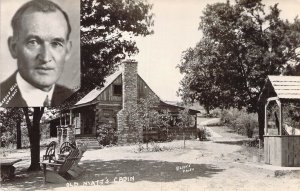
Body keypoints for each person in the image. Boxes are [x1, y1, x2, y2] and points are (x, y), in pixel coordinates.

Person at [0, 0, 74, 107]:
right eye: (33, 42)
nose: (45, 58)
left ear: (67, 50)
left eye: (56, 43)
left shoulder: (74, 98)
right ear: (13, 47)